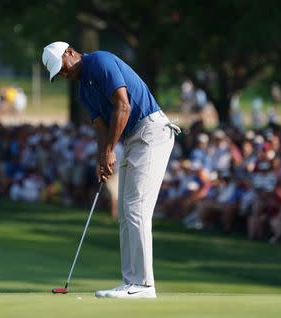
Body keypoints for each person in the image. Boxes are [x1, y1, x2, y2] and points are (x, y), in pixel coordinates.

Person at [42, 41, 181, 299]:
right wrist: (101, 158)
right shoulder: (83, 90)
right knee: (127, 211)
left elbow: (123, 106)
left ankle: (144, 285)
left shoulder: (100, 61)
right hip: (132, 139)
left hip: (152, 131)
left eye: (62, 68)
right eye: (59, 74)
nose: (64, 75)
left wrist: (109, 151)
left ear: (70, 53)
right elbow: (101, 126)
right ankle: (131, 281)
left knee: (137, 208)